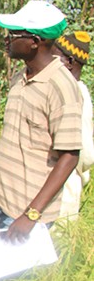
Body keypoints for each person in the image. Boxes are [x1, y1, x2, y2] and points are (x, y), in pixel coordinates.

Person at [0, 1, 81, 242]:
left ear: (35, 41)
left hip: (26, 214)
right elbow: (14, 140)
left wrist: (31, 215)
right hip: (1, 201)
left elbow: (69, 157)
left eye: (13, 34)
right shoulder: (18, 78)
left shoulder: (61, 87)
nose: (7, 39)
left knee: (19, 280)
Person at [52, 31, 94, 222]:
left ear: (68, 62)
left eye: (54, 56)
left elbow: (84, 153)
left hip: (66, 181)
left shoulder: (78, 94)